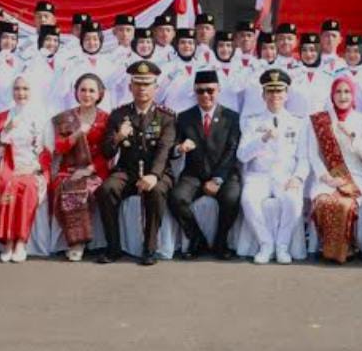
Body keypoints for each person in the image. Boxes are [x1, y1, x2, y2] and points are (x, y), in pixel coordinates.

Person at [97, 61, 176, 265]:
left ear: (155, 88)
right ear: (130, 87)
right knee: (107, 189)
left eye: (147, 84)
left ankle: (149, 249)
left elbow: (164, 150)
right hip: (127, 171)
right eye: (138, 84)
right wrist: (117, 136)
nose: (142, 89)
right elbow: (106, 152)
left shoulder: (166, 117)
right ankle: (113, 247)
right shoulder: (119, 115)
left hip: (156, 171)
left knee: (156, 191)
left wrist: (154, 175)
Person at [237, 69, 309, 265]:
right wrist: (263, 139)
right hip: (259, 175)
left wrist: (298, 178)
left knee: (293, 202)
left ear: (286, 95)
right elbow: (242, 155)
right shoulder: (252, 122)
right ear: (263, 95)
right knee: (249, 200)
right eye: (270, 92)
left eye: (279, 92)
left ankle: (282, 245)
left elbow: (304, 158)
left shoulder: (298, 123)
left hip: (285, 175)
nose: (275, 96)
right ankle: (266, 243)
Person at [170, 70, 242, 260]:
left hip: (224, 174)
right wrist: (179, 148)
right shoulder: (184, 117)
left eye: (210, 90)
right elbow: (172, 147)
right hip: (194, 173)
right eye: (200, 91)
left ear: (218, 90)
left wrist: (217, 179)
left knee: (232, 198)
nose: (205, 95)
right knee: (177, 198)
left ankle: (221, 242)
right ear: (195, 91)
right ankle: (196, 239)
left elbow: (232, 151)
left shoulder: (231, 117)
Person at [305, 76, 362, 263]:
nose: (342, 96)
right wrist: (327, 178)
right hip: (327, 176)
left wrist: (354, 138)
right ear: (332, 95)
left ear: (353, 96)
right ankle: (327, 246)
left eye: (347, 92)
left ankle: (349, 246)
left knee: (345, 204)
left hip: (356, 176)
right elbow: (313, 155)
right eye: (338, 91)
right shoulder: (321, 120)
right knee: (322, 201)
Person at [47, 73, 110, 262]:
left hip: (97, 169)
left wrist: (89, 169)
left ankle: (79, 242)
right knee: (66, 185)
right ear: (76, 92)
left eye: (92, 90)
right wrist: (77, 133)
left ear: (100, 94)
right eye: (83, 90)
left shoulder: (107, 119)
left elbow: (109, 153)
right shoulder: (66, 118)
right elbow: (59, 147)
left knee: (84, 188)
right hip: (69, 168)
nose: (87, 94)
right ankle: (75, 240)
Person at [0, 75, 49, 263]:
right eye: (17, 89)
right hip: (8, 166)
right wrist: (5, 131)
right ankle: (8, 240)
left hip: (32, 167)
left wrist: (34, 167)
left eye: (25, 89)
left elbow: (47, 150)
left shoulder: (41, 117)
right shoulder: (2, 117)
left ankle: (21, 241)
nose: (21, 93)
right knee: (6, 185)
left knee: (27, 187)